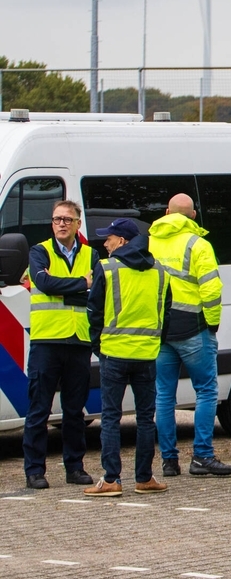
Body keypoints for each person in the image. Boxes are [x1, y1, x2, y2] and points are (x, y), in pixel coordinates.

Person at [149, 193, 231, 478]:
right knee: (207, 390)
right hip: (194, 329)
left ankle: (168, 461)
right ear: (194, 216)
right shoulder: (198, 245)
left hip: (160, 329)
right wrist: (213, 323)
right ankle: (202, 456)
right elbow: (211, 289)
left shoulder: (149, 242)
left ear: (166, 212)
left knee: (164, 395)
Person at [84, 218, 171, 497]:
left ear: (122, 240)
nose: (105, 243)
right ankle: (144, 478)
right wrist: (155, 342)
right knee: (145, 418)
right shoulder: (160, 270)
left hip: (114, 353)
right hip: (147, 353)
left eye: (109, 238)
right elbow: (166, 312)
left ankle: (111, 479)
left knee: (111, 417)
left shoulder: (107, 268)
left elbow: (94, 311)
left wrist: (98, 345)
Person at [22, 200, 100, 490]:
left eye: (67, 219)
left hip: (79, 340)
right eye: (57, 219)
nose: (62, 224)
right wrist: (81, 284)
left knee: (75, 411)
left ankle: (75, 468)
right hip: (47, 341)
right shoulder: (39, 251)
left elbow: (97, 292)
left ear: (78, 223)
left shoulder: (91, 254)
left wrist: (67, 288)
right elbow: (44, 284)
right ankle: (34, 471)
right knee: (39, 409)